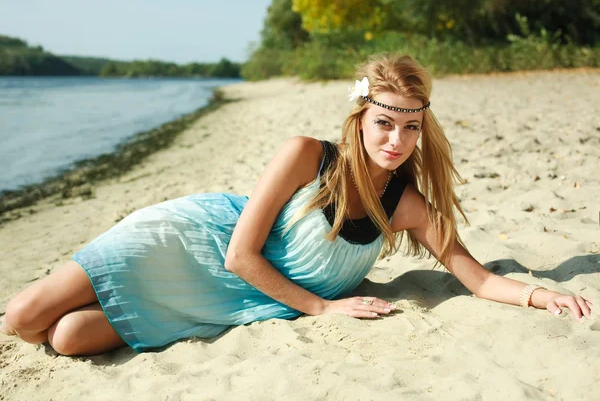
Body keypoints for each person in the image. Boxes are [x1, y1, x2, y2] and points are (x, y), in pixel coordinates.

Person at [0, 53, 593, 356]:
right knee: (23, 319)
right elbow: (239, 254)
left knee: (66, 338)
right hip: (191, 242)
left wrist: (543, 293)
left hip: (237, 301)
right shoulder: (307, 155)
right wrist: (320, 309)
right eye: (384, 123)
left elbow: (479, 278)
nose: (396, 141)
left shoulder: (406, 205)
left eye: (410, 129)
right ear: (360, 118)